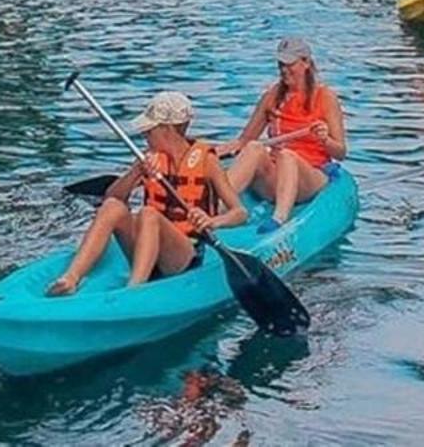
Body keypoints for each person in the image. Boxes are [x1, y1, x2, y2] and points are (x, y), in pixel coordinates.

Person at [46, 91, 249, 296]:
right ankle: (71, 278)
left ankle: (134, 290)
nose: (144, 135)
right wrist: (136, 172)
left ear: (167, 129)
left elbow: (240, 213)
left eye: (149, 130)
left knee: (148, 214)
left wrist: (212, 222)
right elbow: (112, 196)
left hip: (183, 252)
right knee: (112, 206)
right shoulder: (148, 159)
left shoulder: (207, 160)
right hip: (144, 245)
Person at [219, 36, 347, 227]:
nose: (284, 70)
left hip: (310, 175)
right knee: (254, 148)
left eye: (289, 64)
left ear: (306, 63)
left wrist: (325, 140)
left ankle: (279, 219)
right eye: (281, 64)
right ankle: (217, 207)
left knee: (288, 156)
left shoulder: (325, 97)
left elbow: (341, 152)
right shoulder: (272, 96)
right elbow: (244, 141)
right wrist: (209, 152)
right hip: (275, 175)